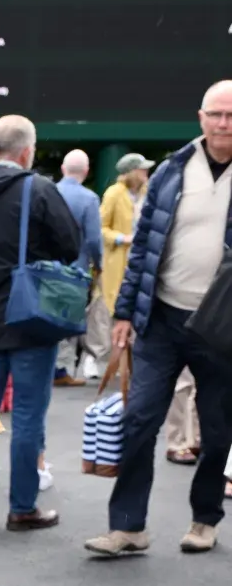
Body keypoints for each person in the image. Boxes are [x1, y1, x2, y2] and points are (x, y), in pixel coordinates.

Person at [85, 80, 232, 558]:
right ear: (201, 117)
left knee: (216, 431)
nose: (223, 124)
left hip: (222, 328)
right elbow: (144, 247)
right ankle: (129, 527)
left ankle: (205, 518)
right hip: (163, 320)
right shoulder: (172, 170)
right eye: (216, 114)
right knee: (139, 420)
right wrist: (125, 312)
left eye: (231, 116)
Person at [0, 113, 80, 531]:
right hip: (31, 318)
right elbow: (70, 244)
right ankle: (22, 508)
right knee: (27, 416)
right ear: (26, 151)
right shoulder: (37, 189)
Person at [54, 149, 103, 385]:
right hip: (77, 269)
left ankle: (52, 367)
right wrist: (100, 265)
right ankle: (62, 370)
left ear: (63, 169)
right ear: (86, 172)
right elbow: (94, 239)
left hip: (49, 267)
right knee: (70, 319)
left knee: (49, 314)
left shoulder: (48, 191)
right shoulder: (89, 199)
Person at [100, 153, 154, 314]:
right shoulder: (114, 193)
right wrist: (121, 238)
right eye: (142, 169)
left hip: (143, 258)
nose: (146, 172)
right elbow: (101, 227)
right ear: (132, 172)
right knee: (114, 305)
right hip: (119, 260)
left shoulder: (149, 192)